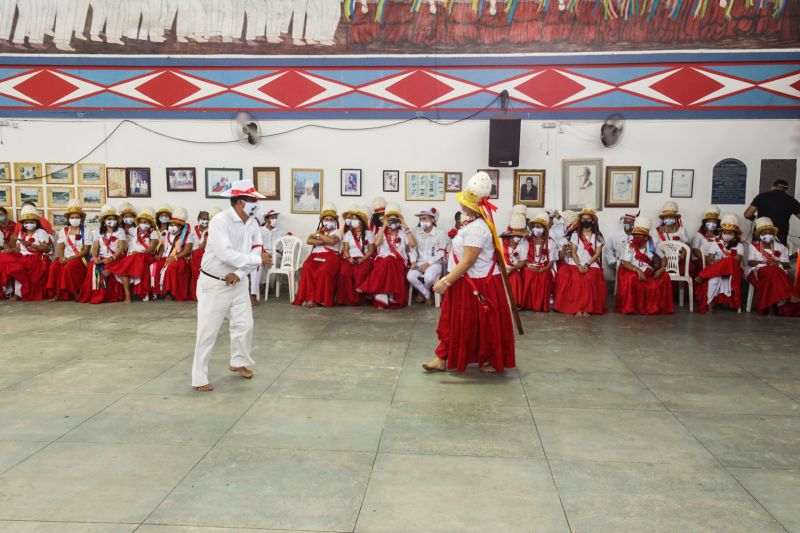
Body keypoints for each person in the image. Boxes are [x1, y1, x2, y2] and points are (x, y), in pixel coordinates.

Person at [422, 171, 515, 373]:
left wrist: (445, 281)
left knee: (479, 324)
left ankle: (488, 359)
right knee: (455, 321)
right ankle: (443, 357)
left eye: (464, 202)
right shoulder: (472, 224)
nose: (461, 204)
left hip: (477, 283)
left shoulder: (477, 228)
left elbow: (468, 261)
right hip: (467, 281)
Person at [192, 180, 271, 392]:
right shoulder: (220, 221)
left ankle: (238, 361)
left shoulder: (253, 223)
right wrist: (256, 260)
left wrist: (238, 273)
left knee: (245, 325)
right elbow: (225, 253)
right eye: (253, 200)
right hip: (214, 283)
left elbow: (256, 250)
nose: (256, 204)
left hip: (238, 281)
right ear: (240, 202)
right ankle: (199, 377)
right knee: (208, 331)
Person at [358, 203, 416, 309]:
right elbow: (376, 243)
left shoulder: (403, 233)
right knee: (388, 260)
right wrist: (384, 225)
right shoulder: (382, 232)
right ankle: (386, 294)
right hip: (382, 261)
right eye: (390, 219)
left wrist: (405, 226)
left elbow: (412, 244)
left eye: (395, 220)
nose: (392, 222)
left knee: (390, 260)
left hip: (399, 262)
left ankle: (379, 292)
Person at [554, 205, 607, 317]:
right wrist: (578, 265)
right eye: (583, 219)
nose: (585, 221)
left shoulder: (598, 236)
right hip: (576, 262)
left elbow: (597, 254)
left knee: (588, 279)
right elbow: (573, 251)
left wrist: (587, 264)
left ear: (593, 221)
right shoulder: (575, 235)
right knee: (576, 279)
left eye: (588, 219)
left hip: (591, 264)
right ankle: (578, 308)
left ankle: (587, 308)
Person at [614, 216, 674, 315]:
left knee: (665, 276)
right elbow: (625, 263)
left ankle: (657, 307)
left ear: (646, 237)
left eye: (639, 235)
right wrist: (637, 270)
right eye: (635, 235)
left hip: (648, 272)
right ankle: (631, 307)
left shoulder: (651, 245)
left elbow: (663, 258)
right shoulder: (630, 245)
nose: (636, 237)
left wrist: (662, 269)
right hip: (630, 270)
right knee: (633, 278)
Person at [746, 217, 800, 316]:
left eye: (770, 233)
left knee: (773, 274)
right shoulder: (753, 246)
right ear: (760, 235)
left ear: (773, 234)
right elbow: (751, 262)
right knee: (774, 271)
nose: (767, 235)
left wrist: (777, 263)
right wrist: (766, 261)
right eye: (764, 233)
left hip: (775, 271)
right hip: (758, 271)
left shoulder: (780, 247)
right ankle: (788, 296)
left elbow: (786, 263)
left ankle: (771, 307)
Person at [294, 202, 342, 308]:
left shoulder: (337, 231)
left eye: (331, 219)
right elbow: (308, 240)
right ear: (322, 221)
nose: (328, 221)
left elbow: (332, 241)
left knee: (323, 270)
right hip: (316, 255)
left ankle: (319, 299)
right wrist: (321, 240)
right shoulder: (318, 231)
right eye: (326, 219)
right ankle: (309, 298)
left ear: (335, 221)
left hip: (331, 256)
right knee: (306, 267)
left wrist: (319, 236)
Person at [106, 207, 159, 303]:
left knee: (134, 258)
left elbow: (151, 248)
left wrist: (139, 252)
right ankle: (128, 296)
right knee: (126, 268)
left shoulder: (153, 233)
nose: (143, 224)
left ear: (150, 223)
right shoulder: (135, 230)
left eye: (146, 222)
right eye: (141, 222)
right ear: (138, 223)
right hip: (132, 257)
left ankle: (112, 270)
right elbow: (121, 230)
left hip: (145, 256)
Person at [695, 214, 744, 314]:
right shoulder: (716, 243)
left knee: (729, 261)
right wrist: (722, 260)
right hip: (718, 271)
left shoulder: (739, 245)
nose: (727, 234)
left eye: (730, 233)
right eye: (725, 232)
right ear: (721, 233)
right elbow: (710, 260)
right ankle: (709, 304)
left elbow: (737, 261)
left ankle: (703, 275)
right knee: (714, 280)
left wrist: (722, 259)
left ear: (734, 235)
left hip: (733, 271)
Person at [0, 205, 51, 301]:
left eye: (31, 222)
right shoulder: (22, 233)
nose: (29, 224)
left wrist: (31, 244)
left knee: (20, 266)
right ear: (23, 224)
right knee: (3, 257)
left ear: (36, 222)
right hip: (22, 256)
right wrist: (9, 250)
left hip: (36, 257)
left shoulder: (41, 232)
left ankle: (18, 294)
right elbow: (18, 249)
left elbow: (44, 249)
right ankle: (7, 290)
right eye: (26, 222)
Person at [79, 204, 127, 304]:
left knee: (106, 268)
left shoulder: (120, 231)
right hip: (101, 256)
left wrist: (112, 257)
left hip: (116, 257)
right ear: (104, 221)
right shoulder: (98, 232)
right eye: (109, 218)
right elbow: (95, 247)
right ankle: (93, 294)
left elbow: (121, 247)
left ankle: (105, 296)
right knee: (93, 266)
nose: (112, 221)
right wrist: (95, 257)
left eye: (114, 219)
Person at [47, 200, 91, 301]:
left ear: (81, 218)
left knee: (69, 267)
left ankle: (75, 292)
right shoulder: (64, 231)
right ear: (68, 219)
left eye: (77, 217)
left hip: (80, 258)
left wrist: (71, 258)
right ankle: (57, 294)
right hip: (65, 257)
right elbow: (61, 247)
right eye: (72, 217)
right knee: (54, 266)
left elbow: (85, 250)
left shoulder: (86, 231)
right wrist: (62, 258)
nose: (74, 219)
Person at [407, 207, 448, 305]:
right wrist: (413, 261)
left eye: (424, 218)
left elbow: (441, 252)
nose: (422, 221)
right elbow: (413, 249)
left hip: (435, 263)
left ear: (433, 220)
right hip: (419, 262)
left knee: (429, 277)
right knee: (410, 276)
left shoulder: (441, 233)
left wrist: (428, 264)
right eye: (420, 219)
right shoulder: (415, 231)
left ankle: (422, 294)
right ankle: (427, 294)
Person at [153, 207, 194, 301]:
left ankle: (170, 293)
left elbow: (187, 251)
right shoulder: (168, 234)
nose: (171, 226)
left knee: (172, 267)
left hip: (181, 259)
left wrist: (174, 257)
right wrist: (159, 255)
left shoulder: (188, 235)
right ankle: (158, 292)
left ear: (180, 226)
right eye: (171, 224)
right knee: (155, 265)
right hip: (167, 257)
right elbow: (164, 247)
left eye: (174, 225)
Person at [338, 205, 375, 305]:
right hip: (351, 258)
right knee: (344, 272)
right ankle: (347, 299)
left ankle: (359, 299)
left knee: (360, 271)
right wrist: (348, 258)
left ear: (361, 221)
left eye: (355, 219)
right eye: (352, 219)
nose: (353, 221)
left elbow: (371, 250)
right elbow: (345, 250)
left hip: (365, 258)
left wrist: (363, 258)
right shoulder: (348, 234)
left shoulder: (369, 233)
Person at [744, 179, 800, 245]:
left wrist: (756, 219)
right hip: (780, 235)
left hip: (761, 233)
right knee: (779, 254)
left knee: (758, 254)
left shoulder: (761, 197)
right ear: (786, 189)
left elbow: (747, 215)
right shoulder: (792, 201)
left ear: (773, 186)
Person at [523, 210, 557, 312]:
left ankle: (540, 305)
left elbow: (551, 262)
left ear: (544, 229)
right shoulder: (527, 241)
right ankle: (528, 304)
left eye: (539, 226)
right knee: (528, 273)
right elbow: (523, 259)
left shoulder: (550, 242)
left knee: (544, 276)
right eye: (535, 226)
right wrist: (529, 266)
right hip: (529, 266)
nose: (536, 229)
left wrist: (544, 268)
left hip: (545, 267)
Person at [250, 209, 286, 302]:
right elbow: (256, 244)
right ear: (266, 220)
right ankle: (265, 284)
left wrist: (277, 252)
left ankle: (268, 285)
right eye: (272, 218)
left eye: (275, 217)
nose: (275, 219)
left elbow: (282, 247)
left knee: (272, 261)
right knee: (261, 261)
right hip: (263, 252)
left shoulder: (281, 232)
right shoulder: (260, 230)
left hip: (276, 253)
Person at [500, 212, 529, 309]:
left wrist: (511, 269)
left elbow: (522, 261)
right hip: (500, 268)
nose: (517, 237)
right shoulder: (502, 241)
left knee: (514, 276)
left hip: (514, 269)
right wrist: (502, 269)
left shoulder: (524, 243)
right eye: (515, 235)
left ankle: (514, 303)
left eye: (520, 235)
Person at [690, 205, 721, 278]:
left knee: (720, 265)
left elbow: (720, 248)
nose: (711, 223)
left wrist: (717, 259)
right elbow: (695, 250)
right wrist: (706, 258)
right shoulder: (699, 234)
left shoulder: (720, 235)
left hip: (714, 259)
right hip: (701, 259)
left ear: (717, 224)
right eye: (709, 221)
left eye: (714, 222)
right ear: (705, 223)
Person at [190, 210, 211, 300]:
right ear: (198, 219)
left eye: (207, 219)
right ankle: (196, 294)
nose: (206, 221)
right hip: (195, 255)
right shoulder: (192, 231)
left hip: (206, 255)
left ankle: (206, 294)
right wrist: (200, 246)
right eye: (203, 219)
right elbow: (190, 246)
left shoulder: (210, 230)